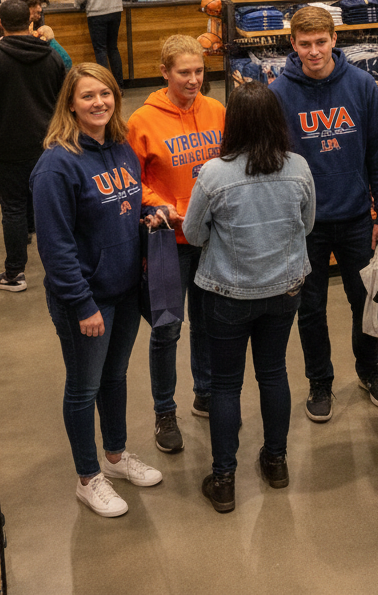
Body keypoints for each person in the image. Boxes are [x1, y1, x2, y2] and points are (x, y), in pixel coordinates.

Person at [31, 63, 162, 518]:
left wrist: (150, 211)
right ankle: (88, 478)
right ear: (71, 102)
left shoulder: (121, 147)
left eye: (105, 94)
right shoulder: (57, 163)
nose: (99, 103)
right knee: (83, 389)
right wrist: (83, 303)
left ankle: (116, 455)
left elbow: (125, 200)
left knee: (116, 377)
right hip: (85, 300)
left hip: (125, 289)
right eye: (88, 96)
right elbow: (56, 245)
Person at [183, 83, 315, 512]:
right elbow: (307, 224)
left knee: (225, 385)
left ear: (232, 123)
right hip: (284, 290)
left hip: (227, 294)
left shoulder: (214, 174)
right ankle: (275, 462)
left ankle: (224, 480)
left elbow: (193, 233)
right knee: (273, 373)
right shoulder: (298, 167)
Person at [272, 6, 378, 423]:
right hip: (305, 225)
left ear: (333, 40)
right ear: (293, 44)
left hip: (359, 216)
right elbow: (273, 163)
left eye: (320, 42)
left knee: (365, 300)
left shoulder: (361, 85)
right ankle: (319, 381)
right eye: (304, 44)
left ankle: (370, 371)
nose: (313, 51)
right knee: (310, 307)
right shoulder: (279, 94)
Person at [127, 35, 224, 454]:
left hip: (213, 238)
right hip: (169, 241)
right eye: (183, 72)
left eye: (199, 71)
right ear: (164, 71)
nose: (193, 79)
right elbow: (132, 183)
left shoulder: (218, 111)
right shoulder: (142, 122)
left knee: (208, 321)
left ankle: (205, 392)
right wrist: (162, 205)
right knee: (167, 328)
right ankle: (164, 411)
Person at [0, 0, 66, 292]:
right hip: (49, 146)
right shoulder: (52, 57)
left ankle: (15, 274)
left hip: (8, 148)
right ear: (31, 22)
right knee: (52, 207)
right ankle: (62, 270)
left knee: (12, 208)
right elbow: (65, 102)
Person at [0, 0, 72, 68]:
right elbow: (66, 63)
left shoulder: (39, 33)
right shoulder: (1, 48)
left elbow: (66, 62)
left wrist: (49, 40)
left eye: (39, 4)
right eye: (33, 5)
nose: (39, 9)